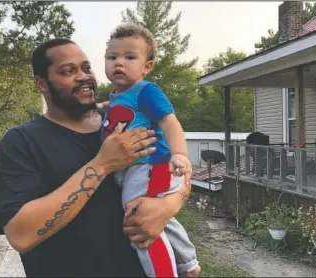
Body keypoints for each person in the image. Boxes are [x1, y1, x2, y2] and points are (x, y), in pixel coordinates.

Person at [0, 38, 194, 277]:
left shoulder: (124, 121)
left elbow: (180, 172)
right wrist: (103, 164)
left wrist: (169, 204)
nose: (83, 76)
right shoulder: (21, 142)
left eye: (87, 68)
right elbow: (21, 235)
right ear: (41, 83)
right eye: (68, 71)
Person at [100, 23, 200, 277]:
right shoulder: (117, 96)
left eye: (129, 57)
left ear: (147, 66)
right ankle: (188, 263)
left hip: (149, 165)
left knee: (138, 221)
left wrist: (179, 154)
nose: (118, 63)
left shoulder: (146, 91)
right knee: (157, 218)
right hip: (133, 170)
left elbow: (170, 121)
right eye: (112, 57)